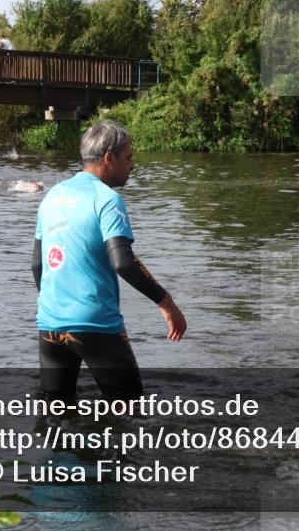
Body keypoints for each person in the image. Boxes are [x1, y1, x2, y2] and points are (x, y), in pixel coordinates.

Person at [32, 121, 187, 402]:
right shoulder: (107, 199)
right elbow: (123, 262)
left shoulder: (52, 195)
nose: (133, 165)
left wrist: (55, 307)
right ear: (109, 158)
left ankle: (66, 448)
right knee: (129, 412)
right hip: (96, 325)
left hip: (49, 324)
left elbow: (37, 266)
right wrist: (167, 303)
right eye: (128, 157)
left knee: (57, 412)